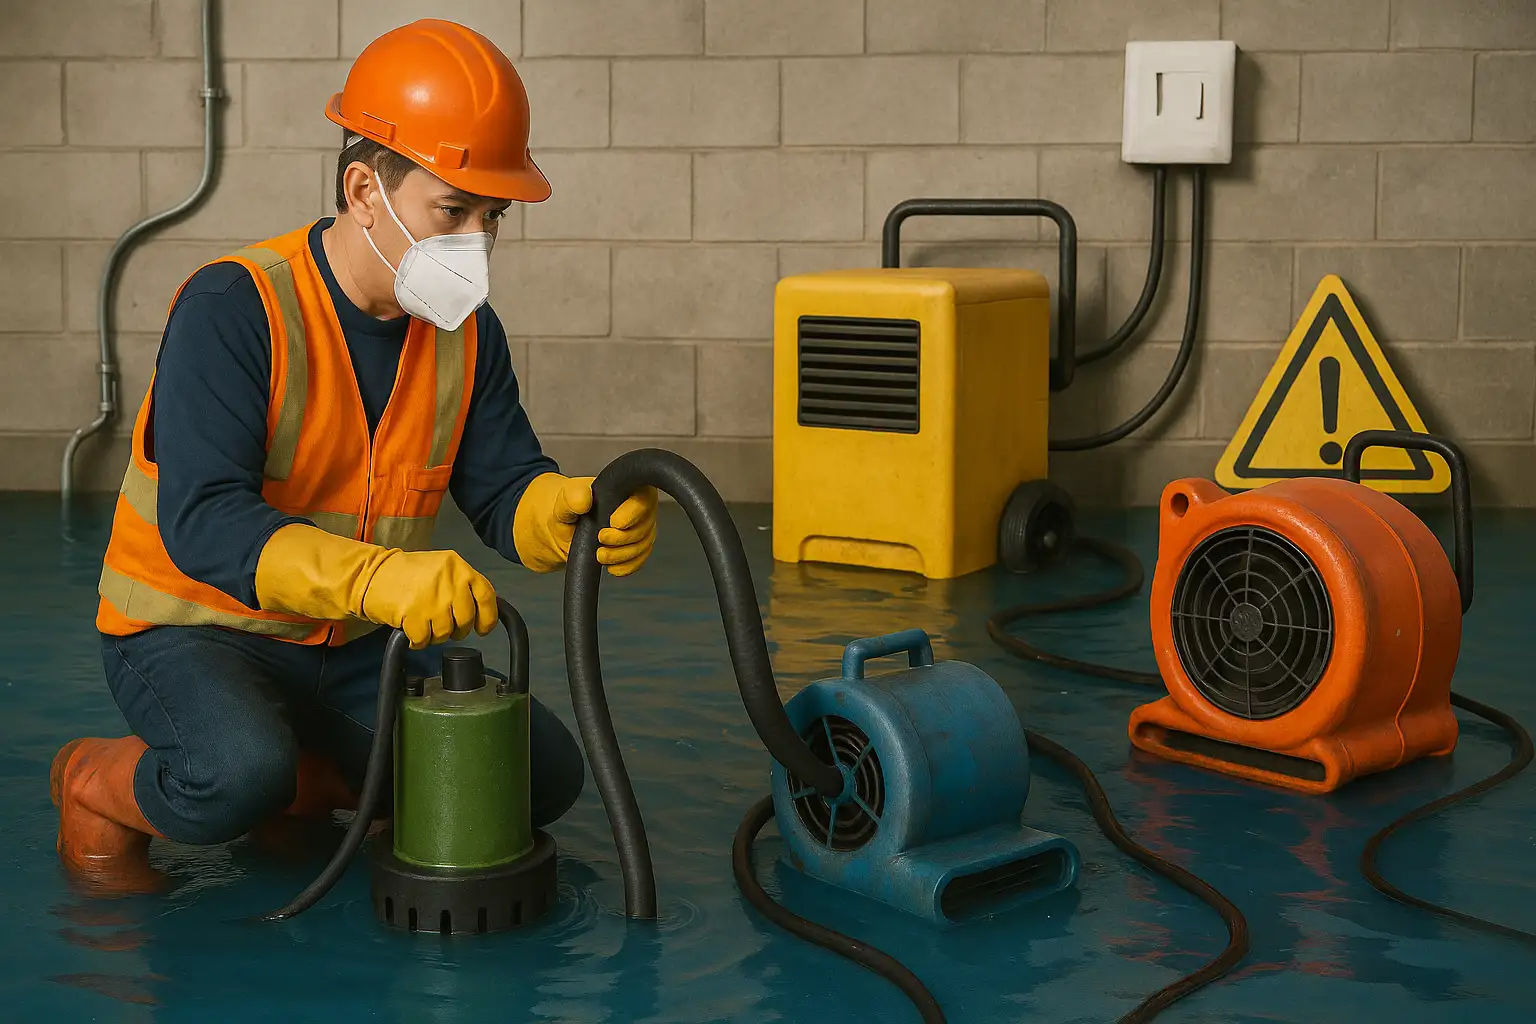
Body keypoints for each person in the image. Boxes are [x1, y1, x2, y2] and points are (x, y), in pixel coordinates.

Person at [49, 19, 658, 893]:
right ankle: (94, 784)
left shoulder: (465, 332)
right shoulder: (235, 306)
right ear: (364, 188)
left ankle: (305, 786)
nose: (477, 244)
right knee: (236, 774)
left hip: (352, 639)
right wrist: (379, 579)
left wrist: (564, 513)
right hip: (196, 628)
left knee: (535, 780)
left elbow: (502, 485)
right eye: (454, 211)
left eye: (493, 218)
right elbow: (206, 522)